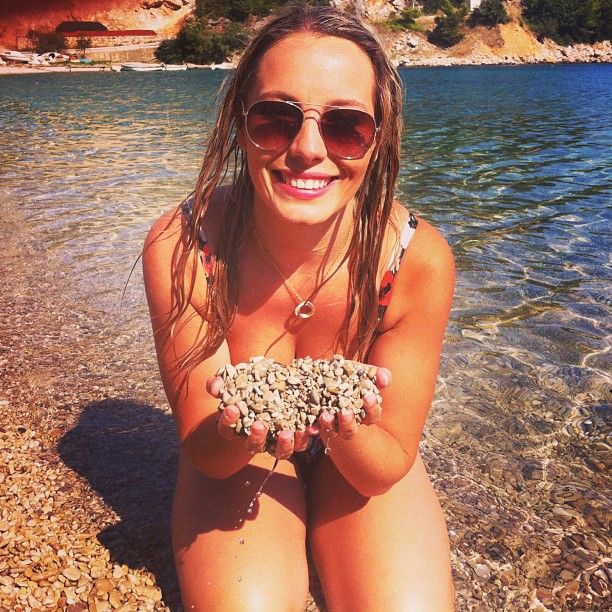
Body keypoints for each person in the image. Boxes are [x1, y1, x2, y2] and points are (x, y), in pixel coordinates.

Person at [143, 6, 455, 611]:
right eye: (276, 118)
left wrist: (345, 424)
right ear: (240, 124)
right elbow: (206, 453)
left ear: (379, 139)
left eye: (345, 127)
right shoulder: (184, 246)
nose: (308, 149)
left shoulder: (416, 259)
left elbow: (386, 461)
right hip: (237, 454)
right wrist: (241, 425)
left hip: (361, 448)